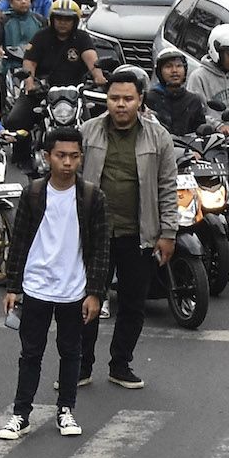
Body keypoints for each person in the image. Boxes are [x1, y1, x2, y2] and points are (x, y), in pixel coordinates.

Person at [0, 129, 107, 441]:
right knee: (30, 353)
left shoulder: (92, 197)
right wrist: (12, 286)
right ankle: (21, 414)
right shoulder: (33, 193)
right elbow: (19, 241)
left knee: (71, 352)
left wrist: (95, 293)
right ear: (47, 157)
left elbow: (100, 249)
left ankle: (66, 410)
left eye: (74, 156)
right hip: (36, 287)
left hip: (74, 290)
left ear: (81, 157)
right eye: (61, 156)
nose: (67, 163)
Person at [79, 67, 177, 390]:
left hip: (139, 236)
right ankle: (81, 366)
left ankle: (120, 365)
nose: (120, 105)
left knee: (133, 304)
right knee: (87, 301)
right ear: (106, 100)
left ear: (140, 100)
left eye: (127, 99)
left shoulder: (158, 137)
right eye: (114, 98)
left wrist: (168, 233)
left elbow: (167, 187)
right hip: (95, 235)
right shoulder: (88, 132)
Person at [3, 0, 105, 139]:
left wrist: (99, 77)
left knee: (91, 129)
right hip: (42, 90)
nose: (63, 22)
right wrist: (30, 83)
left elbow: (92, 60)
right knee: (16, 121)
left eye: (68, 19)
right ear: (52, 19)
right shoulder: (41, 36)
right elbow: (30, 62)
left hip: (75, 93)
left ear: (75, 21)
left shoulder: (82, 38)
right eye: (59, 18)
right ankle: (24, 152)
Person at [185, 23, 229, 121]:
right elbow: (194, 113)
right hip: (210, 130)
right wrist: (217, 125)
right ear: (217, 51)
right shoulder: (199, 77)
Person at [0, 0, 46, 101]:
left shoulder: (39, 20)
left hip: (37, 66)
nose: (23, 1)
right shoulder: (5, 20)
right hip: (11, 65)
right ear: (11, 2)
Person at [144, 48, 208, 137]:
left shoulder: (193, 100)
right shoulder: (150, 98)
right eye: (168, 66)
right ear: (159, 71)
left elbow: (200, 133)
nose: (174, 70)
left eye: (179, 66)